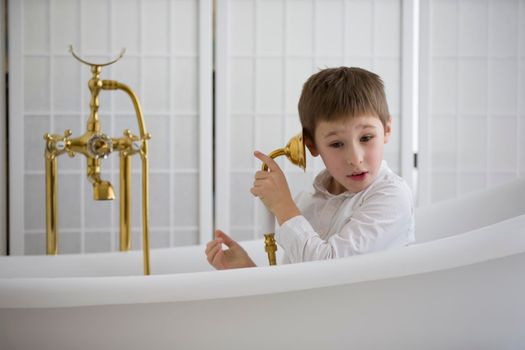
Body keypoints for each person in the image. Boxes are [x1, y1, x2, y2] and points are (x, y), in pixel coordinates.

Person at [205, 67, 414, 269]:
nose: (355, 159)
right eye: (337, 144)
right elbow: (297, 285)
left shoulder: (391, 197)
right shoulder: (310, 201)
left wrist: (283, 206)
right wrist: (247, 269)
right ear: (311, 145)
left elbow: (328, 272)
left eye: (366, 138)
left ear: (387, 130)